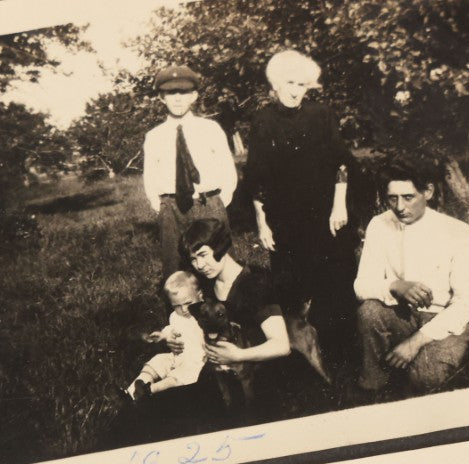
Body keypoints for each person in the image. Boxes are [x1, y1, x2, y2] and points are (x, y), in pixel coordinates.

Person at [244, 50, 357, 366]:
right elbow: (256, 178)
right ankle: (300, 360)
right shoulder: (263, 121)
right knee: (291, 288)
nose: (295, 90)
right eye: (289, 83)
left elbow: (341, 163)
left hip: (324, 216)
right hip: (284, 220)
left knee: (333, 281)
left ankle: (342, 353)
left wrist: (339, 206)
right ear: (275, 84)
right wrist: (262, 223)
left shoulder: (321, 115)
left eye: (301, 84)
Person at [179, 217, 328, 422]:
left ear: (220, 246)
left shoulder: (255, 283)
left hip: (264, 370)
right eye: (193, 259)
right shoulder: (207, 286)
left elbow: (281, 345)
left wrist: (238, 356)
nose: (199, 265)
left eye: (203, 255)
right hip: (226, 371)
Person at [354, 160, 469, 395]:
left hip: (448, 319)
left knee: (424, 379)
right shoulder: (379, 224)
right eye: (393, 198)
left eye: (408, 197)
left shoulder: (457, 231)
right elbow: (361, 286)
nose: (400, 207)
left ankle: (416, 365)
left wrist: (415, 343)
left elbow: (466, 303)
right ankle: (373, 385)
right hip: (403, 314)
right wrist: (395, 285)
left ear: (428, 192)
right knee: (369, 311)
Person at [143, 64, 237, 278]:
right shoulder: (154, 136)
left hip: (208, 203)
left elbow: (227, 168)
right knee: (175, 268)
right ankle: (182, 310)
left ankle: (226, 308)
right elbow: (150, 175)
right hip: (172, 209)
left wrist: (219, 201)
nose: (177, 99)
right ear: (161, 98)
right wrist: (161, 206)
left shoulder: (210, 128)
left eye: (183, 93)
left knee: (219, 263)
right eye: (170, 93)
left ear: (194, 96)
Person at [125, 272, 207, 400]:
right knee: (157, 361)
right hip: (176, 357)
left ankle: (150, 390)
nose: (184, 309)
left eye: (188, 303)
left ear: (200, 296)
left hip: (195, 362)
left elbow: (207, 340)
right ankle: (134, 389)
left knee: (175, 377)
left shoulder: (203, 318)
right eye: (177, 306)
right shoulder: (175, 316)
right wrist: (163, 335)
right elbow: (172, 329)